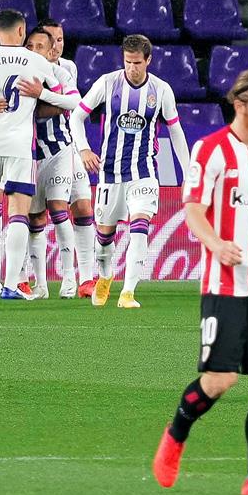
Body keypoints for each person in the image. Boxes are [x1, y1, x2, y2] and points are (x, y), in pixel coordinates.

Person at [152, 68, 248, 495]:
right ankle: (176, 434)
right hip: (225, 286)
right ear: (240, 105)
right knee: (221, 379)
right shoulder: (212, 150)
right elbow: (194, 207)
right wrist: (215, 244)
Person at [69, 34, 189, 308]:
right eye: (127, 62)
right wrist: (84, 149)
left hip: (143, 172)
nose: (132, 68)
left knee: (139, 227)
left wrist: (188, 173)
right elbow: (77, 116)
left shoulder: (161, 91)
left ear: (148, 60)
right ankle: (106, 275)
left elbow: (176, 132)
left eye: (137, 62)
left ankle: (128, 292)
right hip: (110, 174)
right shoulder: (108, 83)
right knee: (104, 238)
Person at [0, 9, 70, 300]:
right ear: (22, 31)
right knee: (18, 214)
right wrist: (41, 94)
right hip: (21, 147)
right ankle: (11, 285)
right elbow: (66, 101)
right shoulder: (37, 61)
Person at [22, 26, 81, 299]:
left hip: (59, 151)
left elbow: (74, 102)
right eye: (30, 46)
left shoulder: (59, 73)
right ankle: (41, 284)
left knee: (58, 209)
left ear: (50, 51)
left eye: (40, 47)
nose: (35, 51)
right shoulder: (18, 73)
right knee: (34, 218)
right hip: (29, 156)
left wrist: (40, 95)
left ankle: (70, 279)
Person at [41, 18, 96, 298]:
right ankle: (56, 277)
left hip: (70, 145)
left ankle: (87, 277)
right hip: (43, 149)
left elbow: (76, 108)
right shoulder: (34, 68)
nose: (56, 45)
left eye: (60, 39)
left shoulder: (69, 68)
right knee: (44, 212)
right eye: (51, 39)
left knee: (84, 208)